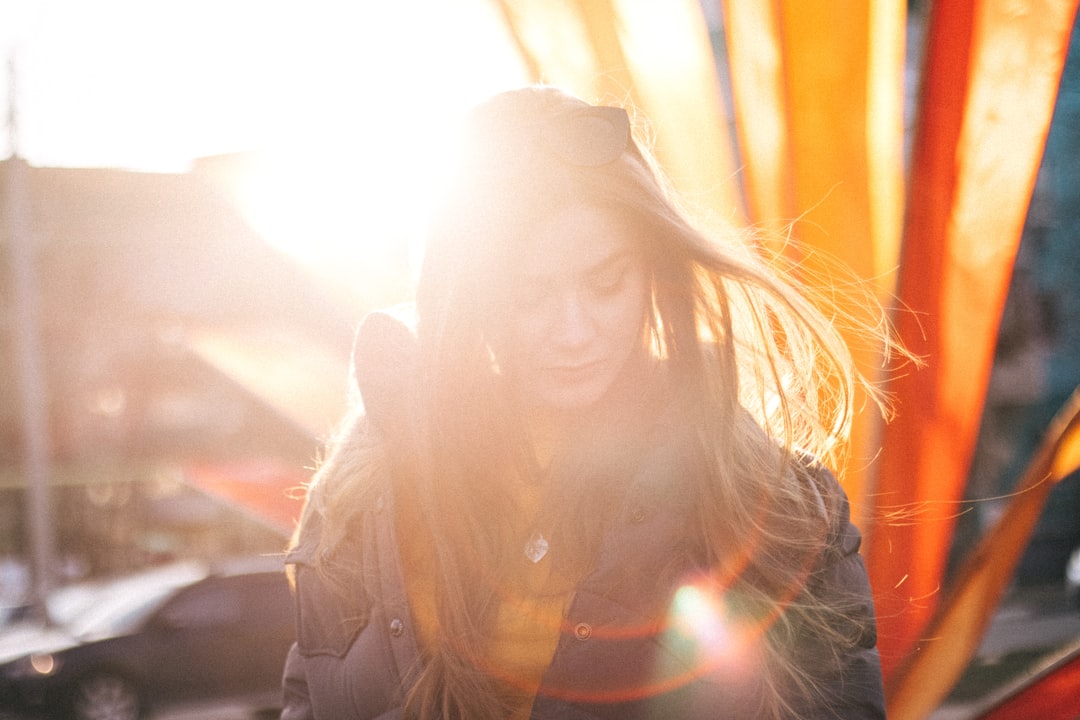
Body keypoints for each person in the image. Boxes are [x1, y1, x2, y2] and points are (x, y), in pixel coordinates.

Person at [281, 85, 889, 719]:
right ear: (471, 295)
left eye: (605, 283)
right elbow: (311, 697)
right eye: (530, 295)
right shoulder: (367, 494)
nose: (573, 331)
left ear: (653, 270)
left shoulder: (769, 501)